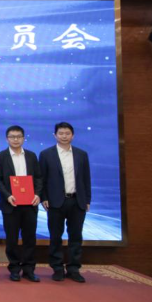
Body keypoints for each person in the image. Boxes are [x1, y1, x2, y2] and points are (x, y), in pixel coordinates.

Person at [39, 121, 92, 283]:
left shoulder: (81, 154)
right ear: (55, 135)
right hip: (55, 202)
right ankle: (57, 268)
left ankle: (74, 268)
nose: (64, 136)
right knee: (55, 236)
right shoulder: (46, 154)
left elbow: (86, 179)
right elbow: (42, 179)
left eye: (67, 133)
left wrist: (87, 199)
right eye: (61, 133)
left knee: (76, 236)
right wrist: (44, 197)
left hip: (77, 201)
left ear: (73, 136)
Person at [0, 125, 43, 282]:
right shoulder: (0, 157)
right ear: (7, 139)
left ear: (23, 138)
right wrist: (7, 196)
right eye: (12, 137)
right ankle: (14, 268)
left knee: (30, 238)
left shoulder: (31, 156)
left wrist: (37, 194)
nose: (15, 139)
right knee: (12, 239)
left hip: (30, 204)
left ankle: (29, 269)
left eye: (18, 136)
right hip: (10, 204)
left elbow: (39, 178)